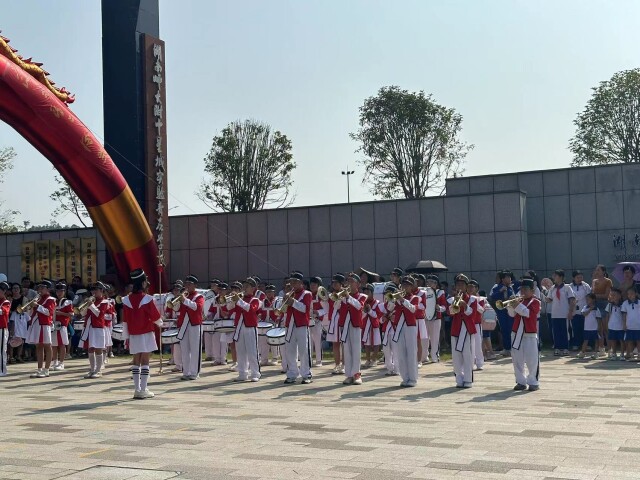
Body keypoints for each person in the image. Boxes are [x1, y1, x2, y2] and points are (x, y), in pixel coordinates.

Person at [122, 269, 163, 399]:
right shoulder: (147, 299)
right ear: (143, 283)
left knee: (136, 360)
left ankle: (137, 389)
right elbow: (155, 316)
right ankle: (143, 389)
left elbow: (125, 319)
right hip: (146, 332)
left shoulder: (126, 300)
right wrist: (161, 323)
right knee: (145, 360)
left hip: (133, 333)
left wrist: (126, 336)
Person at [506, 278, 540, 391]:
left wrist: (516, 305)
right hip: (516, 333)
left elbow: (527, 313)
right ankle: (520, 381)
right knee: (517, 359)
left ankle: (533, 382)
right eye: (521, 289)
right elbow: (511, 314)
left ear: (532, 290)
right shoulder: (518, 301)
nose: (523, 292)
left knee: (532, 360)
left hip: (529, 334)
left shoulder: (535, 301)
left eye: (526, 289)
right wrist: (510, 305)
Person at [227, 278, 261, 382]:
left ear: (253, 288)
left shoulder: (255, 300)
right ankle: (242, 373)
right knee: (240, 351)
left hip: (250, 327)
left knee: (252, 351)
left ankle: (255, 373)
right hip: (239, 327)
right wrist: (231, 300)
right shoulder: (239, 299)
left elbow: (250, 309)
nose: (244, 288)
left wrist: (238, 300)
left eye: (247, 286)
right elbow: (229, 308)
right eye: (244, 286)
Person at [78, 282, 113, 379]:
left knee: (98, 349)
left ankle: (98, 370)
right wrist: (84, 306)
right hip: (89, 327)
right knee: (90, 349)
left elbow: (99, 314)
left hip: (98, 327)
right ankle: (92, 369)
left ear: (101, 291)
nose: (94, 292)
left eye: (96, 290)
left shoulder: (105, 302)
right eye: (93, 290)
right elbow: (83, 314)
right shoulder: (91, 301)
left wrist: (91, 305)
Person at [283, 271, 312, 384]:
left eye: (295, 282)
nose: (293, 284)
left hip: (301, 325)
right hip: (290, 324)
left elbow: (305, 308)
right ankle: (292, 373)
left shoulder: (307, 294)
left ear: (301, 283)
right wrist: (285, 301)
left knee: (303, 350)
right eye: (291, 282)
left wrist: (293, 302)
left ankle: (306, 374)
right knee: (290, 351)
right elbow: (283, 309)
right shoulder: (289, 294)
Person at [337, 273, 365, 385]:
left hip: (355, 325)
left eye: (352, 281)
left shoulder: (362, 296)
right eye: (348, 281)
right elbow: (335, 307)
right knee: (347, 350)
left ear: (358, 284)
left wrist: (348, 297)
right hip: (345, 325)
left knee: (356, 350)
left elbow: (359, 306)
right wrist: (339, 298)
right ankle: (349, 375)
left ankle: (357, 374)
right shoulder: (343, 297)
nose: (349, 283)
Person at [393, 276, 420, 387]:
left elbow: (413, 309)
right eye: (404, 285)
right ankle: (405, 377)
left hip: (410, 326)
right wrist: (394, 299)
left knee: (411, 353)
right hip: (399, 327)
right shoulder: (397, 298)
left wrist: (402, 300)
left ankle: (413, 378)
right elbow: (389, 308)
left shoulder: (415, 298)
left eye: (408, 285)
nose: (405, 287)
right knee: (401, 353)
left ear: (411, 287)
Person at [26, 280, 57, 378]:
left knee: (47, 345)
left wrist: (37, 306)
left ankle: (46, 370)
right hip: (36, 324)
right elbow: (31, 314)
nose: (40, 290)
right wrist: (30, 307)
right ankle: (39, 369)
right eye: (39, 288)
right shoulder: (38, 299)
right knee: (38, 346)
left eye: (42, 288)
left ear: (48, 289)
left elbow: (49, 312)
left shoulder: (51, 299)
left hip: (45, 324)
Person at [176, 275, 205, 380]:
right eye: (186, 284)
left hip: (195, 325)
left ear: (195, 285)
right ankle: (186, 372)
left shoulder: (199, 296)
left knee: (195, 349)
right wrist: (177, 302)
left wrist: (184, 300)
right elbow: (176, 309)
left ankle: (194, 372)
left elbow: (197, 307)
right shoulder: (184, 296)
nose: (187, 286)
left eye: (189, 284)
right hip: (183, 325)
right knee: (184, 349)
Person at [545, 269, 576, 356]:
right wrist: (544, 295)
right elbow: (549, 300)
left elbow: (572, 299)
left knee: (565, 331)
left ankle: (565, 348)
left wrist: (570, 312)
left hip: (564, 313)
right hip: (555, 314)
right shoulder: (552, 288)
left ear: (561, 277)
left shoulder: (567, 287)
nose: (554, 277)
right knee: (556, 332)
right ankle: (557, 348)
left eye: (556, 276)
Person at [490, 271, 515, 356]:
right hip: (501, 311)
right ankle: (506, 348)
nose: (509, 279)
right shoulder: (497, 287)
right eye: (507, 277)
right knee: (504, 329)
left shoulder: (511, 288)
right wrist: (500, 291)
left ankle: (512, 347)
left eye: (510, 277)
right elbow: (492, 297)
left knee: (511, 329)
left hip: (510, 310)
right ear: (503, 279)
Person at [326, 273, 346, 375]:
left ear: (341, 284)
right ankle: (337, 364)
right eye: (333, 283)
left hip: (343, 320)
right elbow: (330, 307)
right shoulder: (331, 295)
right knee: (335, 343)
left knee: (344, 344)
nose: (334, 284)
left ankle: (344, 365)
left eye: (336, 283)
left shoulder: (346, 294)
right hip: (334, 321)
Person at [51, 282, 73, 371]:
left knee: (62, 344)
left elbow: (71, 314)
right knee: (54, 345)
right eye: (57, 291)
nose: (59, 293)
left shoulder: (67, 302)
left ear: (64, 292)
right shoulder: (53, 301)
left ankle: (61, 363)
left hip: (62, 325)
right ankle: (55, 362)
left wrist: (61, 313)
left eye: (61, 291)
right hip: (53, 325)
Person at [425, 275, 446, 363]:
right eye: (428, 281)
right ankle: (424, 356)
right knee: (425, 338)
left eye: (430, 281)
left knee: (435, 338)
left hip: (436, 318)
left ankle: (435, 356)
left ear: (435, 283)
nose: (428, 283)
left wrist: (439, 308)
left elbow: (444, 307)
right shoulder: (424, 291)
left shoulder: (440, 292)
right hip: (426, 318)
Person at [362, 283, 382, 368]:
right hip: (366, 324)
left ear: (372, 293)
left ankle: (374, 359)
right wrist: (364, 311)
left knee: (376, 343)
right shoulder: (363, 302)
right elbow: (361, 315)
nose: (366, 294)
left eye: (368, 292)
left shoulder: (377, 303)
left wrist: (370, 311)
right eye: (365, 292)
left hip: (374, 325)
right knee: (367, 343)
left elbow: (377, 315)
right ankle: (368, 359)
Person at [570, 270, 591, 352]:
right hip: (574, 310)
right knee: (575, 328)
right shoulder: (570, 286)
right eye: (577, 277)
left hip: (584, 310)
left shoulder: (586, 286)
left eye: (581, 277)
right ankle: (576, 343)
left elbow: (589, 297)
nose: (579, 279)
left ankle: (586, 344)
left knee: (585, 327)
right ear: (573, 278)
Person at [380, 284, 399, 376]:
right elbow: (380, 319)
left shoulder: (398, 305)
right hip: (386, 330)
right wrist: (383, 318)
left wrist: (394, 319)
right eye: (386, 294)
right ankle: (389, 368)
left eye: (389, 294)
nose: (387, 296)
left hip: (395, 330)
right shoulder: (382, 305)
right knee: (386, 350)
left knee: (396, 351)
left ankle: (397, 369)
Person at [577, 293, 601, 360]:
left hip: (594, 328)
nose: (587, 301)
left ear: (593, 300)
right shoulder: (585, 307)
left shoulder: (596, 309)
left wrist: (599, 326)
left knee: (596, 340)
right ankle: (582, 352)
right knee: (585, 340)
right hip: (587, 328)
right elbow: (584, 314)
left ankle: (596, 353)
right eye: (586, 299)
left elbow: (598, 318)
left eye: (588, 299)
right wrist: (590, 309)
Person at [8, 283, 28, 363]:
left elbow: (27, 309)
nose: (15, 290)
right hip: (12, 320)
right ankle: (11, 357)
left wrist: (21, 310)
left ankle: (19, 356)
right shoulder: (9, 299)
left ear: (20, 289)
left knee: (21, 339)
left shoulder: (24, 299)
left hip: (22, 320)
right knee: (11, 339)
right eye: (14, 288)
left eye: (17, 288)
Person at [309, 277, 326, 367]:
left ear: (319, 286)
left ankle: (319, 360)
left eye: (315, 284)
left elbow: (326, 309)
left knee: (317, 340)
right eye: (311, 284)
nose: (312, 286)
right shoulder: (308, 294)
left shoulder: (322, 296)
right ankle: (309, 359)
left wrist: (318, 312)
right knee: (309, 341)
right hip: (308, 320)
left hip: (317, 320)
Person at [468, 279, 485, 370]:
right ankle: (470, 363)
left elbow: (482, 310)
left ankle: (479, 362)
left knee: (478, 344)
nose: (470, 289)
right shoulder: (466, 298)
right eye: (469, 287)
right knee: (469, 344)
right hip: (468, 323)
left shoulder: (480, 299)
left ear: (476, 288)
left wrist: (475, 302)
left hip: (477, 323)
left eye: (472, 287)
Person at [203, 279, 221, 361]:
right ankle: (209, 355)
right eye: (212, 285)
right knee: (207, 337)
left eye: (214, 285)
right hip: (208, 317)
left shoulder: (220, 296)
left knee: (216, 339)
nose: (212, 286)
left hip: (217, 318)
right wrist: (205, 315)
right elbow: (206, 306)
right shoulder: (208, 294)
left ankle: (216, 355)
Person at [605, 288, 625, 360]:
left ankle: (622, 354)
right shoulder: (609, 305)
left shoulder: (623, 305)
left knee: (622, 340)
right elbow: (607, 316)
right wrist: (606, 325)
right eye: (611, 295)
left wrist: (625, 325)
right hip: (612, 326)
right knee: (613, 340)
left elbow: (624, 316)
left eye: (614, 295)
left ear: (619, 296)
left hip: (621, 326)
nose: (612, 297)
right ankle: (614, 353)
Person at [622, 287, 640, 360]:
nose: (630, 295)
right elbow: (624, 315)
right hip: (629, 325)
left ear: (636, 294)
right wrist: (624, 324)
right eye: (628, 294)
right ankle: (631, 354)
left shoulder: (639, 302)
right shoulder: (625, 303)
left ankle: (639, 354)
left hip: (638, 326)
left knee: (639, 341)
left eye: (632, 293)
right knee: (630, 341)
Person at [0, 282, 10, 377]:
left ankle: (3, 370)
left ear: (4, 291)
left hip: (2, 329)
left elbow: (3, 311)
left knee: (2, 350)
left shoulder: (6, 302)